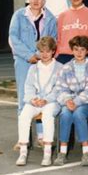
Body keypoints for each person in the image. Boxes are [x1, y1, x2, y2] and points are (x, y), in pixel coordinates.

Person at [9, 0, 57, 115]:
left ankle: (41, 133)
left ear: (44, 0)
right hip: (23, 62)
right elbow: (13, 38)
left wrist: (41, 56)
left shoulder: (51, 18)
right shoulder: (19, 15)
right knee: (24, 95)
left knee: (42, 94)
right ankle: (24, 131)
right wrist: (29, 55)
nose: (36, 1)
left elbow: (53, 40)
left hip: (44, 62)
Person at [15, 37, 62, 166]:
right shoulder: (33, 68)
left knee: (47, 116)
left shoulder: (60, 67)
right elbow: (28, 87)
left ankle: (47, 153)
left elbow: (59, 89)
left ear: (53, 51)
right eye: (41, 51)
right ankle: (23, 152)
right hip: (36, 101)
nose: (44, 54)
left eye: (47, 51)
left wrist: (46, 99)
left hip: (51, 101)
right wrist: (32, 99)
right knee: (24, 115)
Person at [54, 36, 88, 166]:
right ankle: (62, 152)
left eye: (82, 49)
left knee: (79, 113)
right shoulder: (66, 67)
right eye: (76, 49)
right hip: (69, 102)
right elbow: (60, 88)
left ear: (87, 51)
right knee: (65, 113)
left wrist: (77, 102)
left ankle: (86, 152)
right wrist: (67, 100)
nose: (79, 52)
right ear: (72, 50)